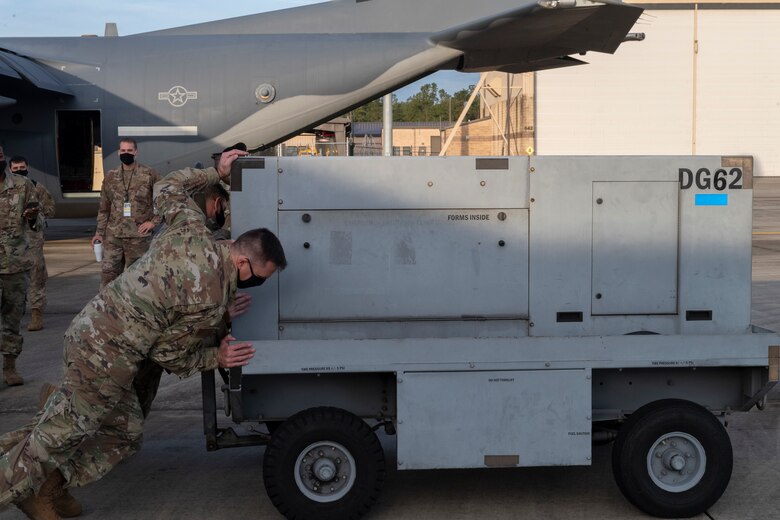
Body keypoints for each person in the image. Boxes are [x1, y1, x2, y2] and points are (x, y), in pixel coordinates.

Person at [0, 149, 287, 519]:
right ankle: (26, 484)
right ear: (243, 262)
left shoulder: (192, 227)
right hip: (108, 353)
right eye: (259, 277)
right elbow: (170, 354)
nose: (257, 284)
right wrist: (215, 355)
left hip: (98, 334)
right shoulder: (212, 295)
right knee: (69, 431)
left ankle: (48, 486)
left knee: (92, 424)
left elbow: (166, 186)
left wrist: (217, 171)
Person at [92, 138, 161, 289]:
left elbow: (164, 200)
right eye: (123, 151)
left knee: (139, 281)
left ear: (136, 152)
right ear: (118, 152)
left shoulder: (149, 174)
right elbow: (104, 208)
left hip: (138, 239)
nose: (126, 153)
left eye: (129, 150)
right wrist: (99, 233)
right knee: (107, 280)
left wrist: (153, 222)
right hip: (113, 238)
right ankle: (109, 311)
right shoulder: (111, 176)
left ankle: (137, 312)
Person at [0, 147, 39, 386]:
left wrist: (33, 217)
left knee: (12, 320)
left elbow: (40, 220)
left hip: (14, 266)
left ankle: (10, 367)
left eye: (0, 156)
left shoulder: (23, 185)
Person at [8, 156, 56, 332]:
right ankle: (13, 315)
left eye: (22, 167)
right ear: (10, 169)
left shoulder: (37, 187)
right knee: (12, 280)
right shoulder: (6, 189)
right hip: (11, 242)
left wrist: (36, 214)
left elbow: (51, 210)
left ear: (27, 168)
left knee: (36, 277)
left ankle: (36, 315)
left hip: (32, 241)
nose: (19, 170)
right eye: (15, 168)